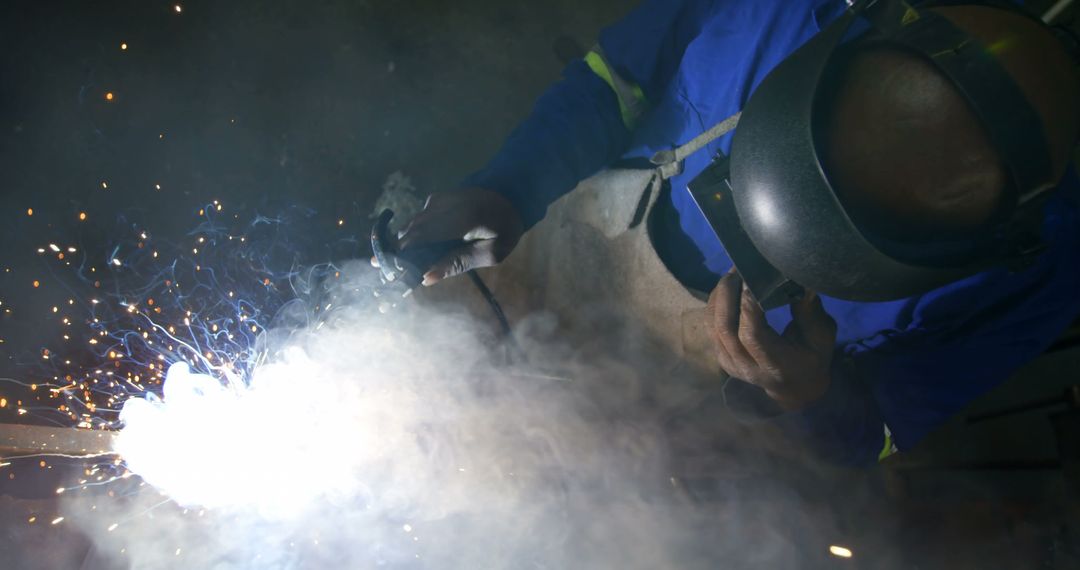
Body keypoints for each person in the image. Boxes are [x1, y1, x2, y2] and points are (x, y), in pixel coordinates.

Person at [391, 0, 1080, 465]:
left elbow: (879, 433)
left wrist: (810, 398)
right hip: (538, 249)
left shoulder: (1051, 262)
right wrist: (512, 186)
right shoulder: (777, 11)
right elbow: (613, 83)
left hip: (645, 409)